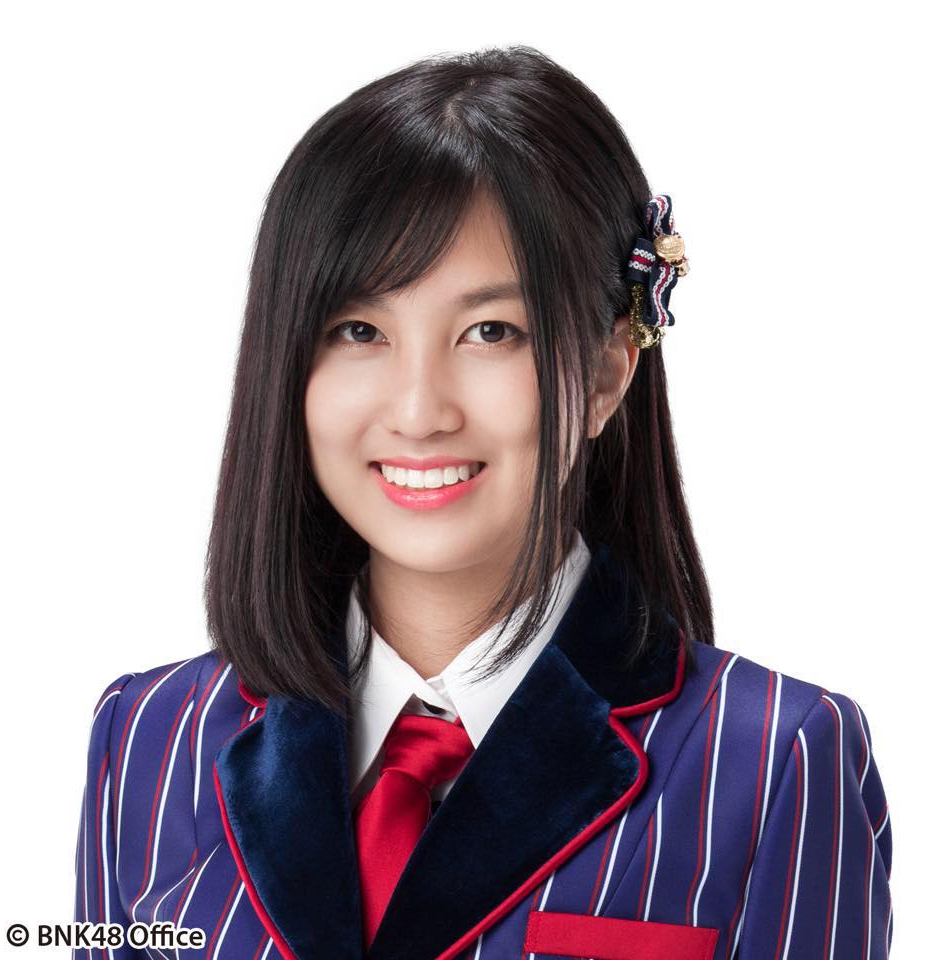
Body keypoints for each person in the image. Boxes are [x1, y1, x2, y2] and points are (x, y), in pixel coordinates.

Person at [73, 45, 893, 960]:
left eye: (491, 331)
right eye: (359, 329)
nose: (419, 411)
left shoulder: (775, 760)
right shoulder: (148, 737)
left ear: (606, 374)